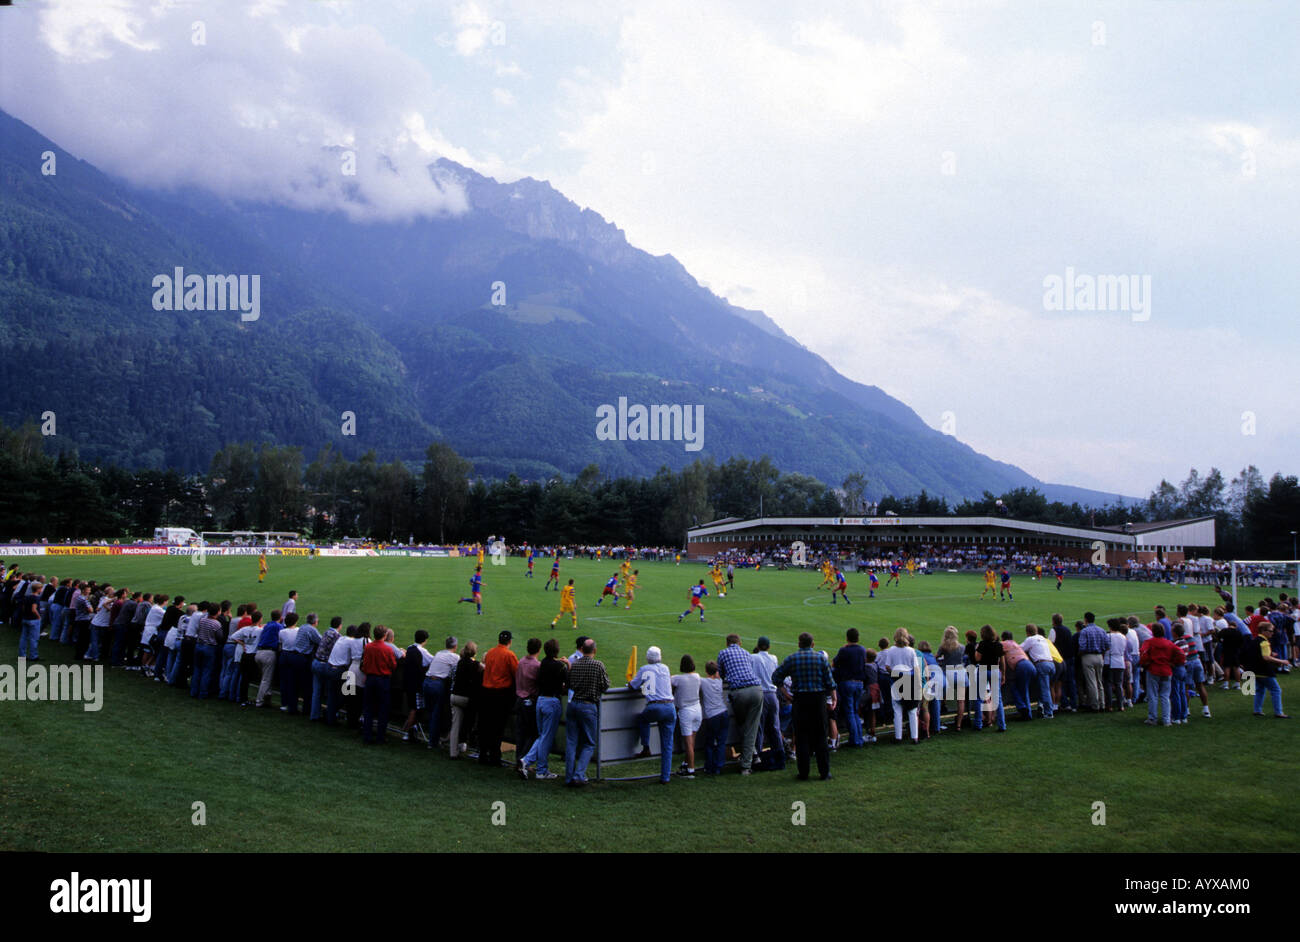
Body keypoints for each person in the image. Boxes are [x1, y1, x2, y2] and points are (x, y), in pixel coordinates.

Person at [772, 632, 836, 780]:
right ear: (812, 644)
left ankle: (804, 772)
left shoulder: (792, 659)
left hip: (800, 700)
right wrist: (833, 697)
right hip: (817, 699)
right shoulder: (821, 658)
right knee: (820, 735)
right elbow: (830, 682)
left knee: (801, 737)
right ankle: (824, 772)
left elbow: (776, 677)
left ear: (799, 643)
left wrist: (785, 692)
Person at [519, 639, 568, 780]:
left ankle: (541, 770)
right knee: (545, 736)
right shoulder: (559, 666)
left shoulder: (543, 663)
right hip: (551, 701)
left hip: (540, 700)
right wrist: (569, 665)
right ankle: (527, 761)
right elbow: (569, 682)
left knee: (542, 736)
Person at [628, 646, 677, 784]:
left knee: (643, 719)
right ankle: (665, 777)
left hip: (655, 706)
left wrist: (631, 683)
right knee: (667, 745)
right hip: (669, 706)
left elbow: (633, 686)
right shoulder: (666, 668)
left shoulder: (644, 669)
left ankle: (646, 746)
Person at [716, 634, 763, 774]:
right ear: (740, 643)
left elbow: (721, 673)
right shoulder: (746, 653)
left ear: (727, 643)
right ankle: (753, 756)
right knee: (749, 727)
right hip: (756, 690)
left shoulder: (723, 653)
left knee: (745, 726)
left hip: (738, 692)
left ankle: (746, 765)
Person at [564, 638, 609, 786]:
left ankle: (569, 776)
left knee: (571, 742)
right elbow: (605, 685)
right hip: (588, 705)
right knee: (589, 743)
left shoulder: (575, 664)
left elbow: (569, 684)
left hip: (573, 704)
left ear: (582, 649)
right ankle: (579, 775)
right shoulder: (598, 665)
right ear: (594, 651)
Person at [479, 630, 518, 767]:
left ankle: (483, 754)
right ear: (509, 641)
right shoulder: (509, 655)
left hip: (486, 692)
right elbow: (516, 674)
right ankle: (495, 757)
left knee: (486, 725)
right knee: (498, 726)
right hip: (500, 694)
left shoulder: (490, 652)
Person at [361, 626, 403, 744]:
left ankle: (367, 735)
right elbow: (393, 665)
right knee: (383, 709)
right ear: (385, 636)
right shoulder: (387, 649)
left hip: (370, 679)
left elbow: (364, 663)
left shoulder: (368, 647)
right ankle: (380, 737)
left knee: (368, 709)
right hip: (382, 680)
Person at [878, 627, 920, 744]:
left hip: (896, 679)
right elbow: (916, 668)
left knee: (897, 709)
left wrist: (894, 673)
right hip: (909, 680)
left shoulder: (891, 650)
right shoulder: (911, 651)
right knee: (912, 710)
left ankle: (898, 737)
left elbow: (887, 666)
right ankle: (914, 737)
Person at [1139, 624, 1184, 727]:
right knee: (1165, 696)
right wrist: (1174, 663)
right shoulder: (1169, 643)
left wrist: (1145, 663)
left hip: (1153, 670)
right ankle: (1166, 720)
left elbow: (1143, 653)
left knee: (1153, 695)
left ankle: (1152, 718)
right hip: (1166, 670)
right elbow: (1181, 654)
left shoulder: (1149, 642)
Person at [751, 637, 786, 768]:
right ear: (769, 647)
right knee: (775, 726)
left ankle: (759, 757)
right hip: (773, 694)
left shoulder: (753, 657)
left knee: (759, 727)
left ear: (758, 646)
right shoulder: (774, 658)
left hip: (761, 694)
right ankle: (780, 755)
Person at [1246, 622, 1290, 718]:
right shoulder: (1264, 642)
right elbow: (1266, 657)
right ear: (1263, 631)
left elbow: (1257, 653)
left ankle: (1257, 710)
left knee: (1260, 690)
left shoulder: (1255, 640)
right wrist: (1281, 661)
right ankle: (1278, 712)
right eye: (1270, 631)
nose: (1272, 633)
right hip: (1264, 671)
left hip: (1254, 670)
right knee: (1276, 690)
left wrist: (1271, 654)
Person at [832, 628, 867, 745]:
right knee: (855, 711)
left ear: (847, 638)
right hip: (859, 682)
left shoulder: (844, 650)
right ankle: (859, 738)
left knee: (850, 712)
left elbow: (834, 663)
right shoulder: (862, 650)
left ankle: (855, 740)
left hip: (848, 682)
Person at [423, 636, 459, 747]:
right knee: (436, 713)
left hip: (427, 682)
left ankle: (431, 738)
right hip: (436, 684)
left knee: (430, 711)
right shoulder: (455, 657)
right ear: (455, 646)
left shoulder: (439, 653)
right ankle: (433, 742)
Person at [449, 641, 483, 759]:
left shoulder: (460, 662)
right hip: (466, 697)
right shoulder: (475, 665)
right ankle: (464, 742)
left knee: (455, 725)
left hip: (455, 696)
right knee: (469, 720)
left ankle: (453, 752)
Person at [672, 655, 703, 776]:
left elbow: (668, 680)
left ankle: (690, 769)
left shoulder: (678, 679)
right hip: (697, 710)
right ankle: (686, 763)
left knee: (688, 743)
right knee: (692, 741)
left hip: (686, 712)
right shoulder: (697, 676)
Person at [971, 625, 1006, 732]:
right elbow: (1002, 662)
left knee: (979, 698)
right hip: (995, 670)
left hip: (983, 670)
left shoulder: (982, 644)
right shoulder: (998, 645)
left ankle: (978, 724)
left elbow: (977, 658)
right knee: (998, 699)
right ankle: (1002, 725)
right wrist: (1003, 674)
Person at [401, 630, 433, 742]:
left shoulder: (410, 648)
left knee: (413, 707)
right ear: (425, 640)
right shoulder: (422, 651)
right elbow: (432, 661)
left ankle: (410, 731)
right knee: (415, 709)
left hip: (407, 683)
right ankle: (405, 731)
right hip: (416, 684)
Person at [514, 638, 542, 760]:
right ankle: (523, 760)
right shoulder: (537, 665)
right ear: (539, 650)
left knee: (521, 732)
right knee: (532, 732)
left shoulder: (521, 662)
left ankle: (519, 759)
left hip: (519, 699)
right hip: (530, 700)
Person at [1020, 624, 1055, 719]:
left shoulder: (1030, 639)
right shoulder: (1042, 638)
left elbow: (1020, 649)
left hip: (1042, 664)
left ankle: (1049, 712)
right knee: (1045, 688)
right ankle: (1043, 707)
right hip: (1051, 664)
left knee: (1045, 689)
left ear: (1027, 632)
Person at [700, 661, 729, 775]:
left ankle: (709, 766)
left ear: (706, 671)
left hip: (712, 716)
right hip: (723, 713)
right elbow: (718, 677)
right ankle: (718, 766)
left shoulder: (703, 682)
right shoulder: (719, 681)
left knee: (710, 743)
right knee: (721, 742)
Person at [1075, 613, 1109, 711]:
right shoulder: (1101, 630)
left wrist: (1080, 655)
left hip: (1088, 656)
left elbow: (1082, 646)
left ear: (1085, 620)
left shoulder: (1084, 631)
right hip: (1099, 656)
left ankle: (1095, 705)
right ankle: (1102, 704)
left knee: (1091, 682)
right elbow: (1107, 645)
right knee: (1099, 682)